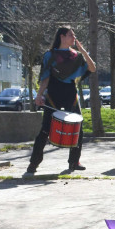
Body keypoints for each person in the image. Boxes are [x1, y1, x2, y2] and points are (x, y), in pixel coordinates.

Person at [23, 27, 96, 177]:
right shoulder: (50, 55)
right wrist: (39, 95)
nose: (74, 38)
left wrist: (83, 50)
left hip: (70, 93)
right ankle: (33, 163)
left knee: (78, 129)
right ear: (62, 37)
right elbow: (45, 78)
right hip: (53, 94)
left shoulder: (77, 56)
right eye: (71, 35)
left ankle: (74, 161)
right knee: (45, 129)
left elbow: (92, 68)